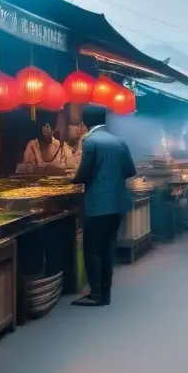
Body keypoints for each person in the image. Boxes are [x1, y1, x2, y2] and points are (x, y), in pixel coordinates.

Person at [71, 106, 137, 306]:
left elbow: (83, 173)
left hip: (98, 203)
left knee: (92, 248)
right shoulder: (118, 141)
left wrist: (71, 181)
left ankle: (96, 294)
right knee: (108, 246)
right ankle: (105, 291)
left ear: (84, 122)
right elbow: (129, 170)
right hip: (118, 202)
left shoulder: (90, 141)